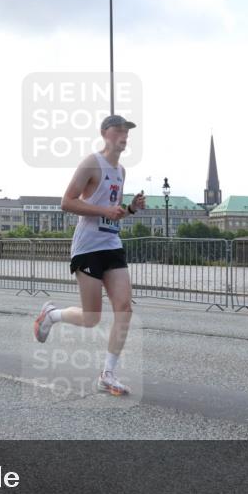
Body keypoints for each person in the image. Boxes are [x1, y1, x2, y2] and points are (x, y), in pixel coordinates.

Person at [33, 115, 146, 396]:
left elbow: (113, 212)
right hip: (88, 247)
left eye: (127, 131)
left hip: (111, 243)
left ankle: (107, 374)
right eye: (119, 130)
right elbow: (66, 202)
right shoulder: (91, 163)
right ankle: (51, 315)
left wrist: (130, 209)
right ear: (105, 133)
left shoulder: (121, 171)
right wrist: (105, 211)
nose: (124, 135)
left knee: (124, 307)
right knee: (91, 317)